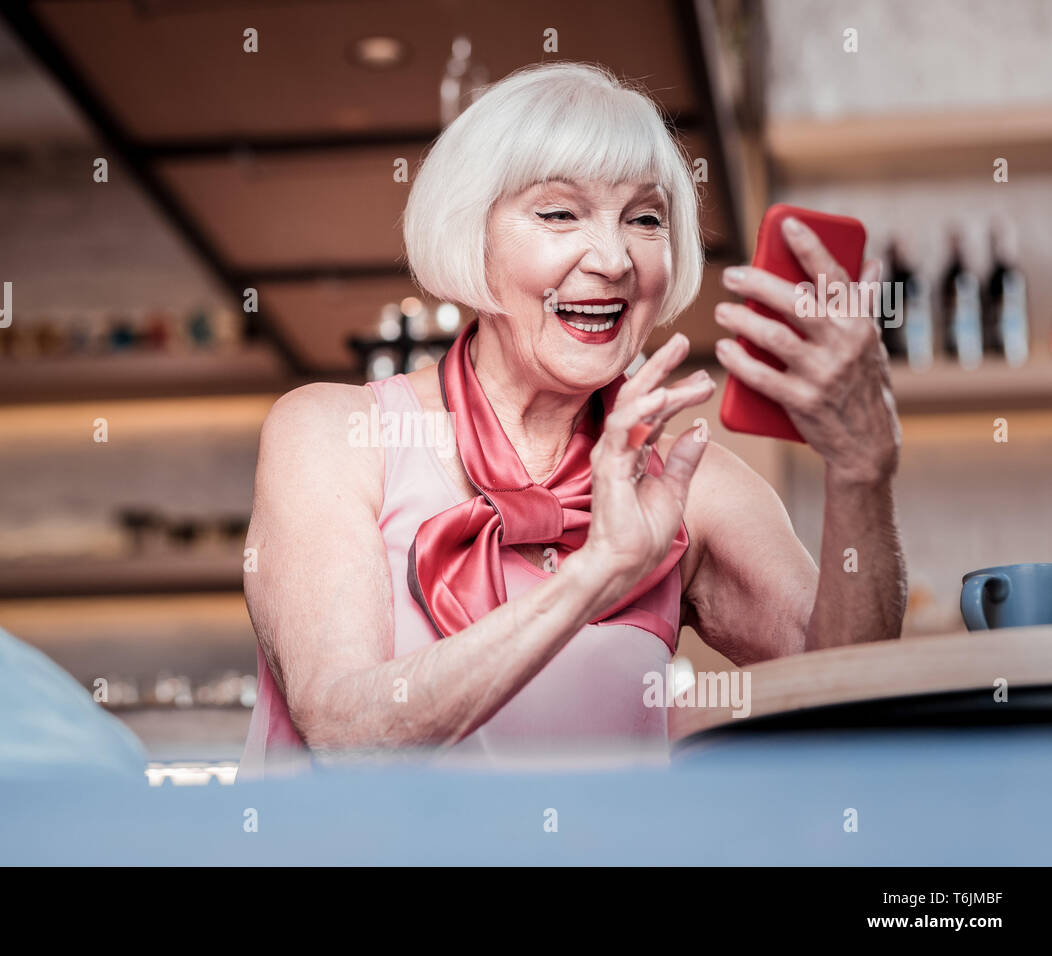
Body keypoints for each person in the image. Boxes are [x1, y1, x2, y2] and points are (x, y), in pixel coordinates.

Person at [238, 62, 906, 779]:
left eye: (645, 219)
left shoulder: (692, 482)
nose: (615, 260)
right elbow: (348, 733)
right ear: (472, 237)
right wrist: (594, 576)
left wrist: (863, 466)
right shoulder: (333, 435)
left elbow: (845, 692)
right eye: (559, 213)